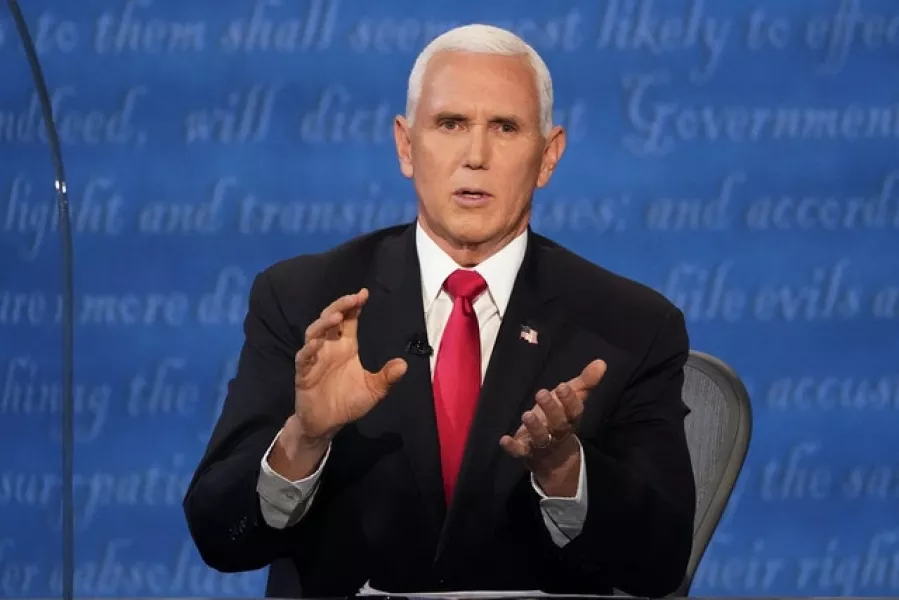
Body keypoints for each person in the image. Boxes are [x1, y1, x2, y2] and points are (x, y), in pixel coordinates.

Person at [183, 23, 696, 598]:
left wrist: (564, 472)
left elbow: (661, 564)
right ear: (406, 145)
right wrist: (304, 439)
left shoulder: (630, 326)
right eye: (450, 124)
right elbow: (218, 536)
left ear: (548, 156)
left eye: (505, 127)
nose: (475, 156)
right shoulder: (305, 299)